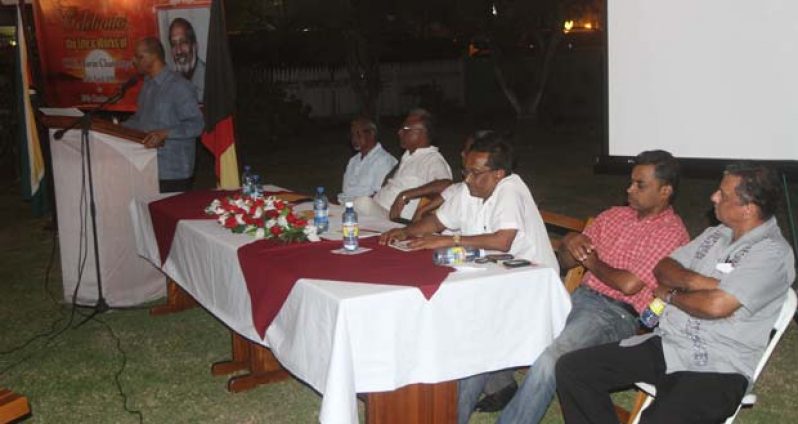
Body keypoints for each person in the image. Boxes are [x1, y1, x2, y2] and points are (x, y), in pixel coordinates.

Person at [460, 150, 690, 424]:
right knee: (492, 335)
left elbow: (628, 285)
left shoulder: (671, 232)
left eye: (640, 185)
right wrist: (571, 243)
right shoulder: (615, 216)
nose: (629, 189)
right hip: (575, 299)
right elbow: (568, 262)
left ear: (665, 191)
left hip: (616, 315)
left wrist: (590, 260)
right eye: (631, 181)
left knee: (551, 360)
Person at [556, 163, 795, 424]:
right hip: (670, 345)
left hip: (719, 366)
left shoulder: (772, 254)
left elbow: (716, 306)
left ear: (748, 208)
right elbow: (663, 268)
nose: (713, 197)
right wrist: (703, 282)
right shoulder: (715, 235)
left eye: (723, 195)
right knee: (574, 369)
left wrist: (671, 296)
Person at [379, 130, 558, 271]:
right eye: (466, 171)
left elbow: (502, 241)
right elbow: (436, 221)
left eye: (476, 173)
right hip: (492, 269)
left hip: (533, 275)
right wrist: (406, 231)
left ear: (498, 174)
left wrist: (449, 240)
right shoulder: (469, 188)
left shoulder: (510, 188)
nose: (467, 179)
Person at [123, 37, 204, 193]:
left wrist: (165, 133)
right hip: (148, 167)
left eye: (139, 57)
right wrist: (113, 128)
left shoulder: (179, 86)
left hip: (174, 172)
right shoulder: (147, 85)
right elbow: (140, 120)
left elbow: (197, 124)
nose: (134, 61)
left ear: (154, 57)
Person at [355, 108, 452, 221]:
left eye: (405, 129)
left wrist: (405, 195)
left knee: (360, 203)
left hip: (396, 220)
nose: (399, 132)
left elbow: (446, 185)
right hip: (379, 209)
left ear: (422, 133)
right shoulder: (409, 156)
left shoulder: (432, 159)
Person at [340, 117, 398, 201]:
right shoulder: (353, 160)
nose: (354, 139)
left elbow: (378, 196)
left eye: (358, 134)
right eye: (352, 135)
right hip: (347, 204)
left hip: (367, 209)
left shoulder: (383, 160)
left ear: (371, 134)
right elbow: (346, 191)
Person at [168, 17, 206, 99]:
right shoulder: (169, 83)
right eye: (174, 44)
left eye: (183, 42)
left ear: (195, 46)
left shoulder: (209, 79)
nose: (178, 51)